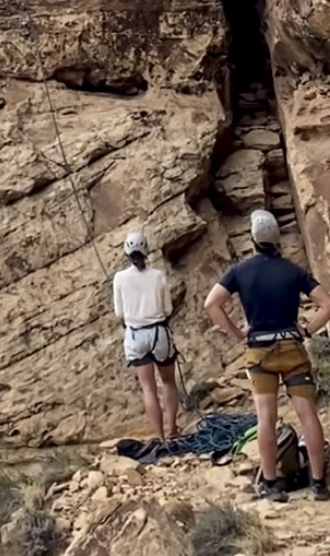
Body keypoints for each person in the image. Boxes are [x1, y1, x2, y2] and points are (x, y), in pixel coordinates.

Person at [205, 208, 330, 503]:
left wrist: (238, 334)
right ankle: (318, 484)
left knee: (266, 417)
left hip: (259, 351)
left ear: (253, 238)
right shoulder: (293, 270)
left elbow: (212, 304)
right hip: (292, 348)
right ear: (276, 240)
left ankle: (271, 484)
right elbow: (327, 304)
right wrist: (307, 329)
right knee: (308, 415)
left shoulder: (240, 271)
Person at [113, 229, 179, 443]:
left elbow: (119, 313)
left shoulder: (119, 278)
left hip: (135, 335)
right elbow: (168, 309)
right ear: (147, 250)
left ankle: (159, 436)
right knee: (168, 382)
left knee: (148, 388)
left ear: (126, 253)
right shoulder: (158, 276)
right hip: (159, 333)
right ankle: (173, 429)